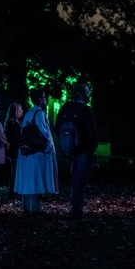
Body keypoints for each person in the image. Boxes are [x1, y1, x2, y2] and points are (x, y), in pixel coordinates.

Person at [54, 83, 98, 217]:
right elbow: (91, 133)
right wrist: (92, 146)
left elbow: (57, 129)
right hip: (84, 151)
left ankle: (75, 207)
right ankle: (76, 210)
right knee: (81, 181)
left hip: (70, 151)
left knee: (75, 179)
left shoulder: (65, 108)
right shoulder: (86, 110)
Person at [16, 89, 58, 213]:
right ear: (39, 99)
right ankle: (35, 209)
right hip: (37, 153)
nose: (45, 100)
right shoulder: (40, 114)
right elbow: (46, 135)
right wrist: (50, 149)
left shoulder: (28, 113)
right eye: (44, 98)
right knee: (36, 181)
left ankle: (27, 207)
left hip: (27, 152)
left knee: (29, 181)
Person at [3, 102, 24, 204]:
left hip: (12, 152)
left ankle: (13, 194)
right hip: (15, 153)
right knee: (15, 174)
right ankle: (13, 194)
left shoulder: (11, 124)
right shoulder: (14, 124)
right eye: (20, 110)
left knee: (14, 174)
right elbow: (16, 140)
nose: (22, 111)